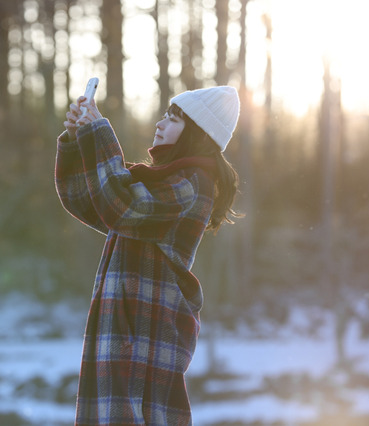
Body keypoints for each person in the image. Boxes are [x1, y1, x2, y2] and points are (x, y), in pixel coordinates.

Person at [55, 86, 241, 424]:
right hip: (129, 326)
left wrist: (99, 132)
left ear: (197, 133)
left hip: (145, 328)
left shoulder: (193, 184)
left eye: (172, 120)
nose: (158, 124)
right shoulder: (160, 181)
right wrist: (76, 138)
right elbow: (87, 198)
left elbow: (121, 206)